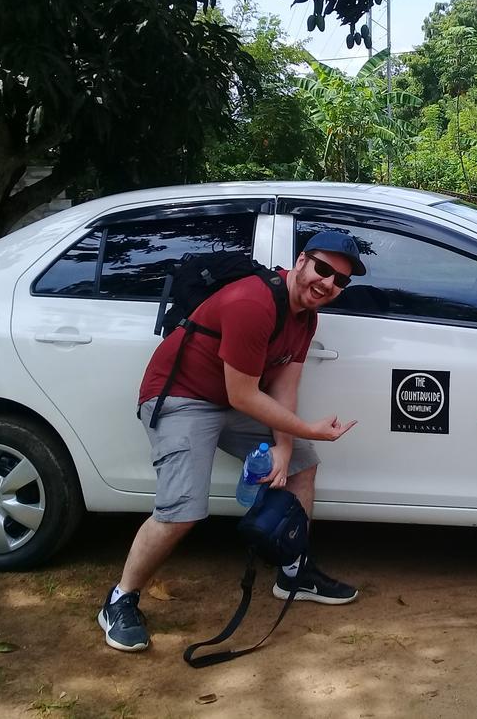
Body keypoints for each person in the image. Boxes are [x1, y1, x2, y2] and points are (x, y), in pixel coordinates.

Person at [99, 231, 366, 652]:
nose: (329, 283)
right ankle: (121, 599)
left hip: (229, 399)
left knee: (301, 462)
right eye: (324, 269)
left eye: (341, 280)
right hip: (182, 399)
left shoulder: (306, 316)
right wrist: (306, 428)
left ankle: (292, 571)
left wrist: (285, 445)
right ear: (301, 261)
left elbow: (282, 383)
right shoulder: (253, 302)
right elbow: (245, 394)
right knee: (182, 512)